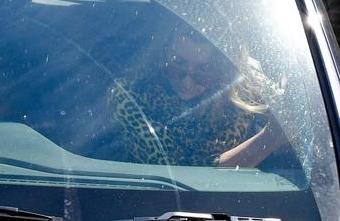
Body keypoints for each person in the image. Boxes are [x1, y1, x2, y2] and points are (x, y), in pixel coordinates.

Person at [107, 27, 288, 167]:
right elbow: (184, 176)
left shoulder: (243, 85)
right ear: (164, 54)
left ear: (222, 69)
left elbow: (286, 103)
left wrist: (287, 103)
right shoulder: (131, 96)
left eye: (204, 69)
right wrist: (271, 137)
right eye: (178, 63)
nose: (187, 82)